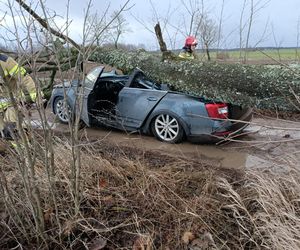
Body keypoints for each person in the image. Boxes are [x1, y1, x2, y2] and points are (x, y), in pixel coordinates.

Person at [0, 53, 38, 143]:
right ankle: (24, 147)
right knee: (5, 135)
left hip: (13, 105)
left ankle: (27, 153)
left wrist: (36, 94)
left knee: (12, 132)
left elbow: (24, 77)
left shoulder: (5, 61)